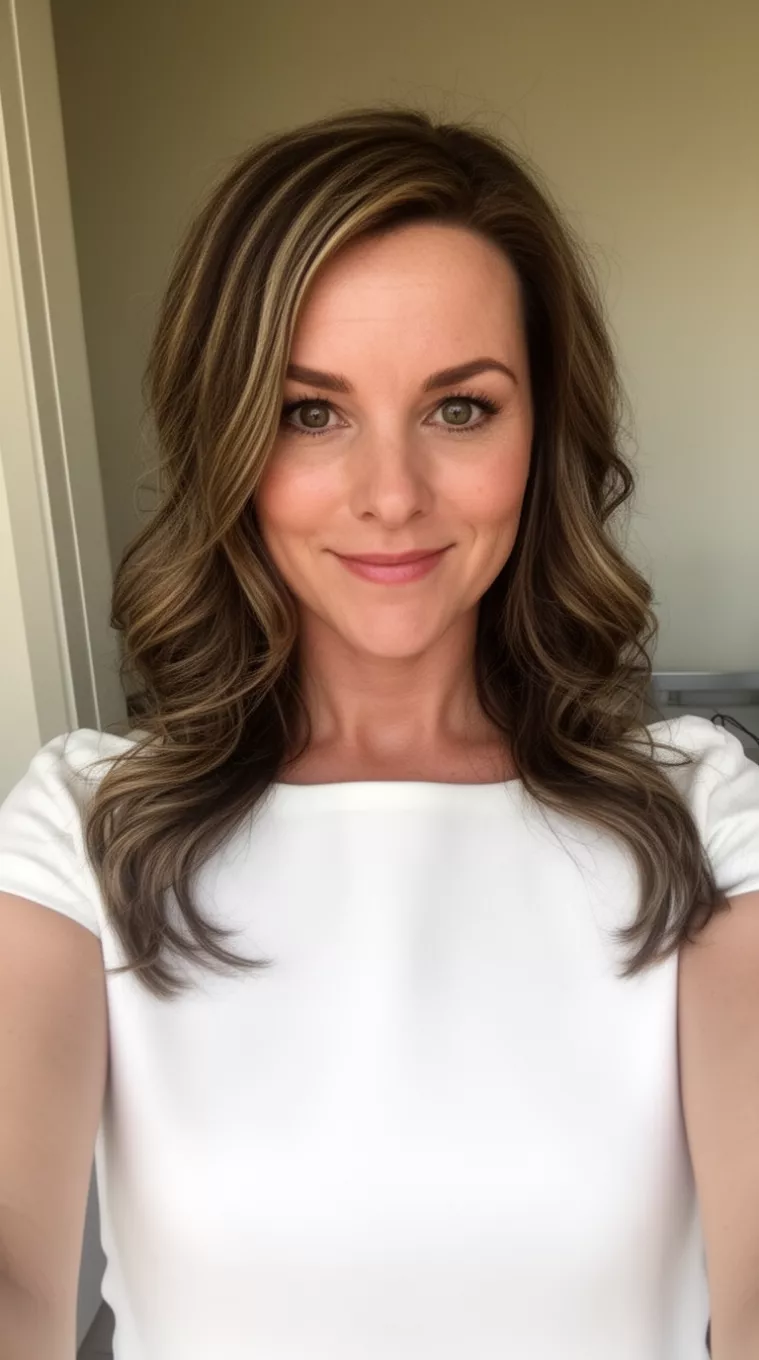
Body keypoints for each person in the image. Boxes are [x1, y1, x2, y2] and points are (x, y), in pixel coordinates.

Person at [0, 105, 758, 1360]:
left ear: (541, 435)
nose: (392, 494)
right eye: (313, 412)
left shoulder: (697, 810)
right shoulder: (85, 829)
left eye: (460, 409)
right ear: (227, 436)